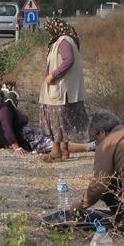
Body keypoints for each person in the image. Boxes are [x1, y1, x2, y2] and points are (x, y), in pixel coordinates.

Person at [39, 17, 89, 161]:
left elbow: (68, 60)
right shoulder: (68, 40)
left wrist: (52, 75)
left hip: (60, 89)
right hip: (66, 90)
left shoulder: (63, 41)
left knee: (56, 121)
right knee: (63, 121)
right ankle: (64, 150)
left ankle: (56, 152)